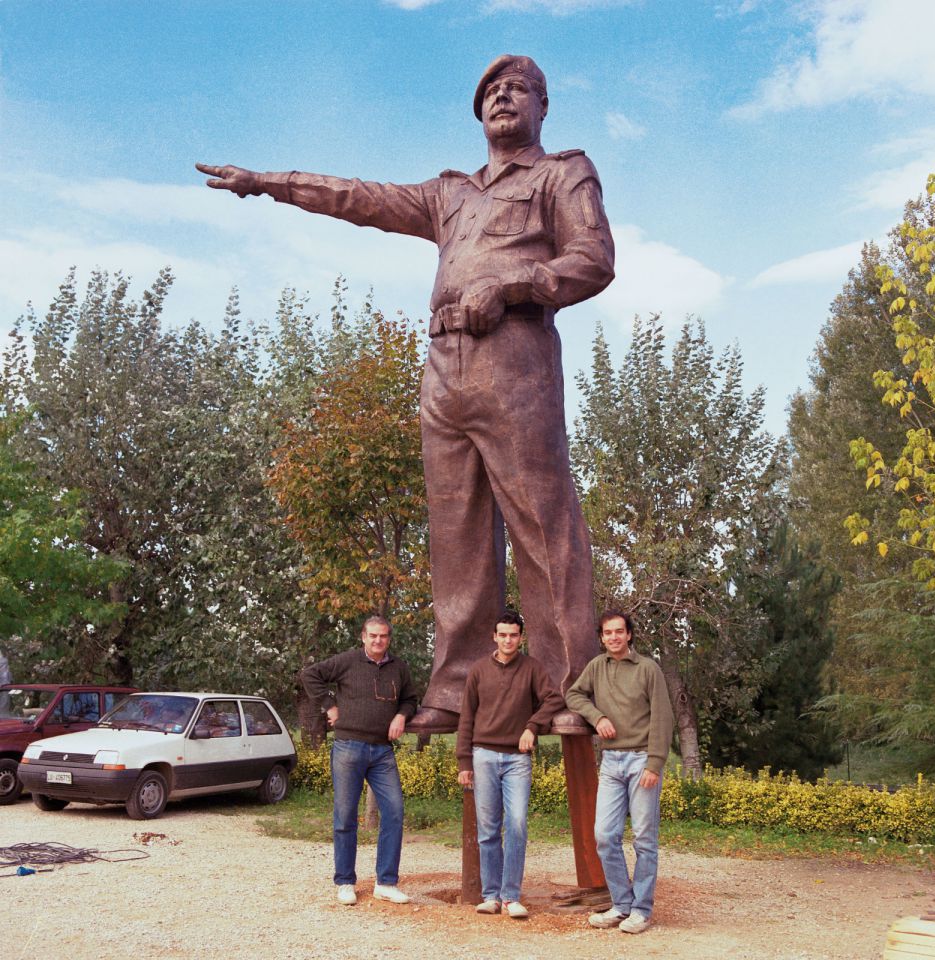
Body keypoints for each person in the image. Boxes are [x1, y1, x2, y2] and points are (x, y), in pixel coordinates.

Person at [196, 54, 614, 728]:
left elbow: (593, 260)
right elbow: (358, 197)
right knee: (457, 538)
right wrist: (267, 183)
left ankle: (568, 689)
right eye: (492, 92)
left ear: (542, 106)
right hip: (444, 367)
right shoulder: (450, 194)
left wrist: (512, 285)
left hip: (516, 356)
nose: (504, 98)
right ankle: (454, 690)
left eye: (519, 90)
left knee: (544, 525)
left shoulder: (561, 174)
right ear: (479, 112)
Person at [565, 611, 674, 935]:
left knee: (644, 838)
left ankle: (641, 910)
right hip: (611, 762)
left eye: (619, 632)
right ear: (602, 637)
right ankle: (621, 905)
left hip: (642, 761)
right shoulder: (597, 667)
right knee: (605, 836)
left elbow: (663, 717)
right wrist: (597, 718)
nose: (613, 637)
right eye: (607, 633)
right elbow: (573, 694)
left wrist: (655, 763)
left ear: (629, 635)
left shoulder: (648, 669)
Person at [300, 616, 418, 905]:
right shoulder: (348, 661)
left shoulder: (399, 667)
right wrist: (329, 706)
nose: (378, 641)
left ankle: (386, 883)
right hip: (348, 748)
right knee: (345, 817)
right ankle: (345, 882)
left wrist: (402, 715)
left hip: (382, 752)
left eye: (384, 636)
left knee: (394, 812)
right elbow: (309, 675)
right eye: (373, 636)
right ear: (363, 636)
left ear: (389, 638)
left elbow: (410, 699)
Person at [456, 610, 563, 919]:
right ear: (494, 636)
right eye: (502, 634)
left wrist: (532, 726)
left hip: (517, 759)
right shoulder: (477, 671)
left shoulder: (532, 668)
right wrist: (465, 760)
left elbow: (554, 699)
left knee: (516, 824)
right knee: (488, 830)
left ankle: (511, 896)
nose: (507, 640)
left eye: (513, 635)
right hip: (483, 756)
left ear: (521, 637)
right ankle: (490, 896)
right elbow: (467, 718)